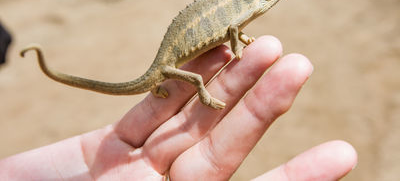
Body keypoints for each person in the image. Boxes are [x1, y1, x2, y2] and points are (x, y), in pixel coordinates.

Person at [0, 36, 357, 180]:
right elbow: (229, 27)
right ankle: (198, 88)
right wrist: (200, 89)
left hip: (168, 66)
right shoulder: (244, 0)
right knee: (200, 79)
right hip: (168, 67)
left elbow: (232, 28)